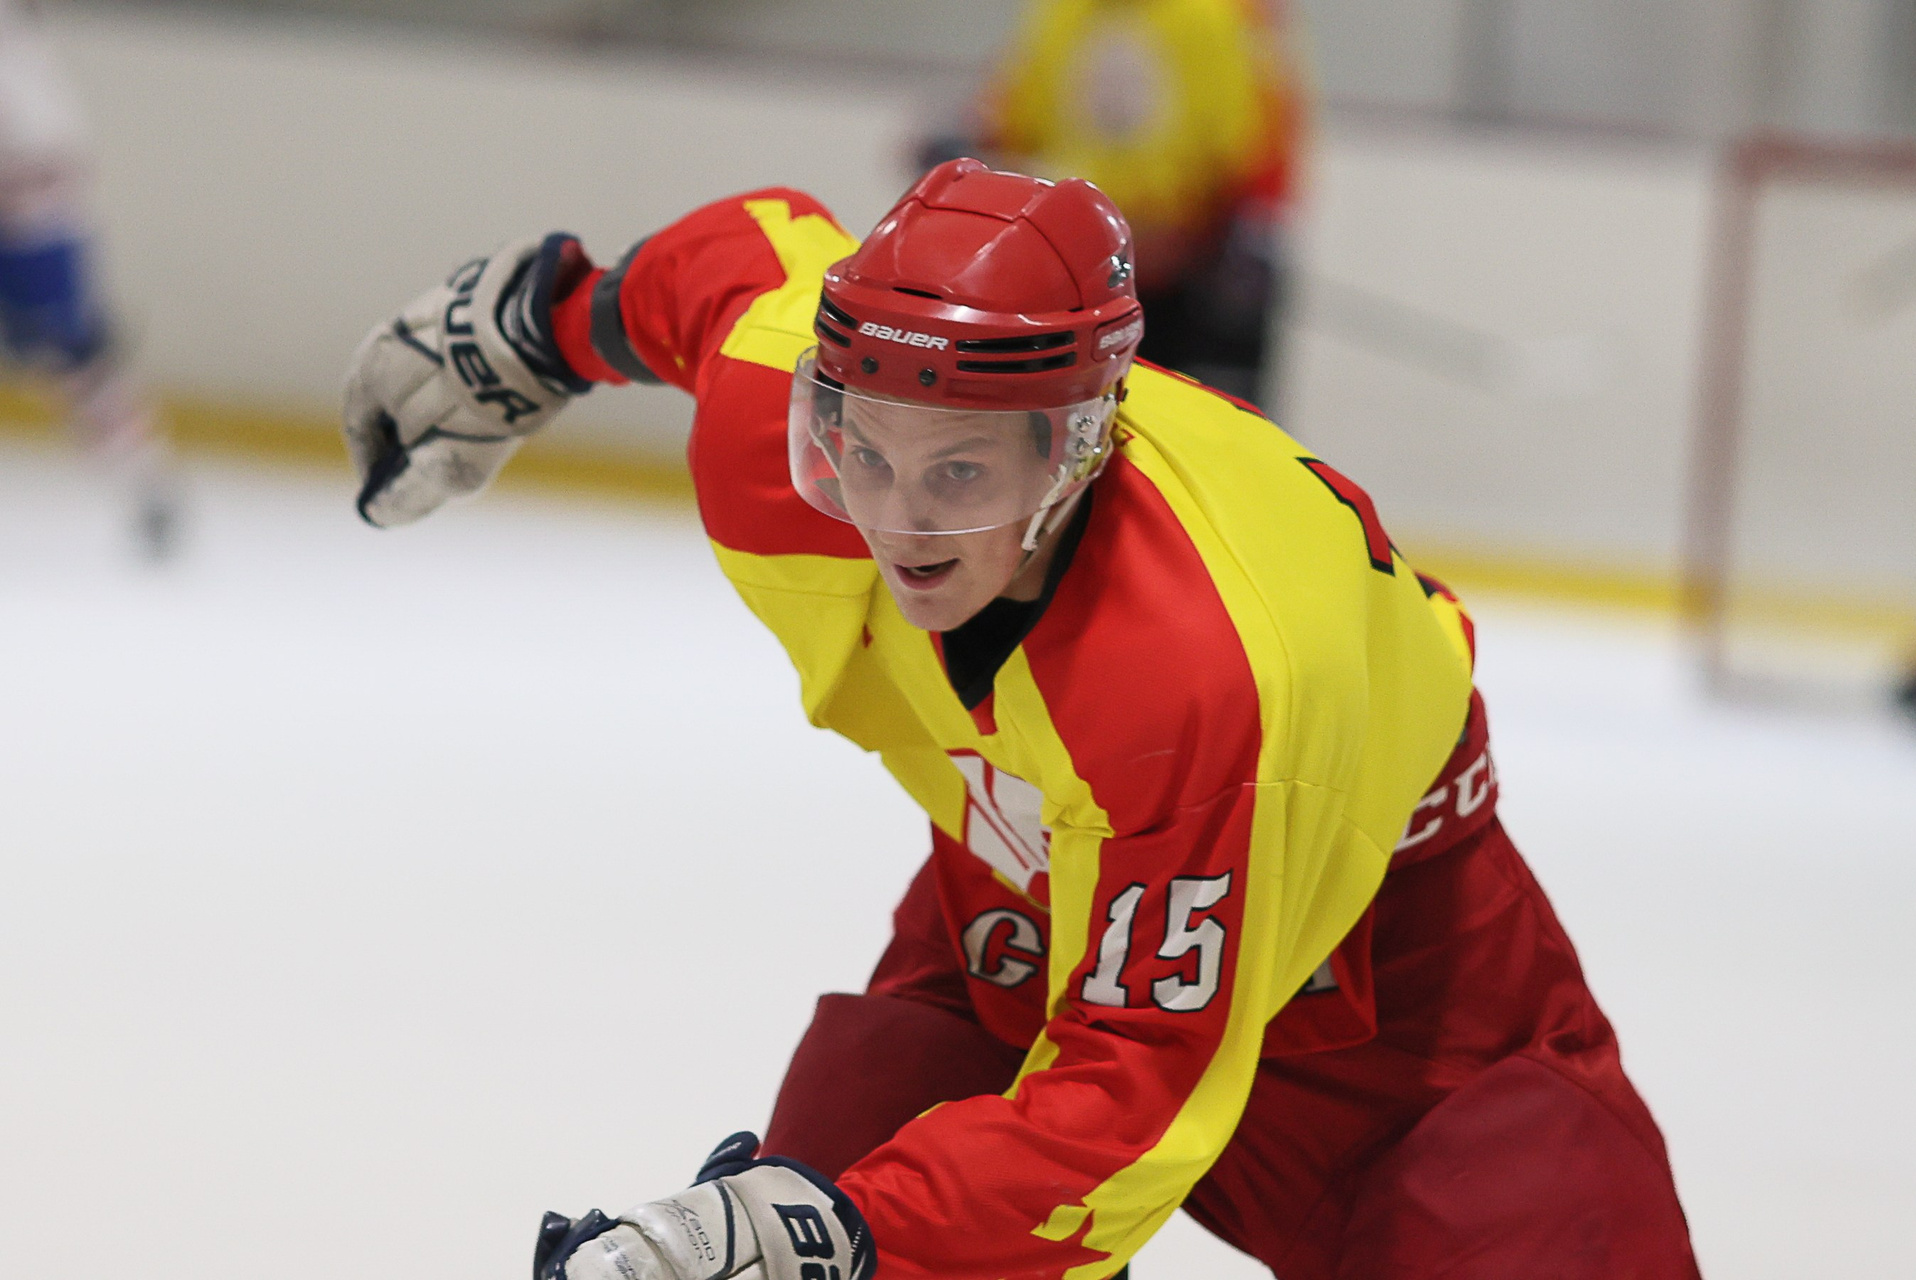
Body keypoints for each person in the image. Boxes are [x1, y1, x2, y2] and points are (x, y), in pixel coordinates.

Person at [341, 160, 1701, 1280]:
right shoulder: (782, 430)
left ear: (1076, 449)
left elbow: (1131, 1096)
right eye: (859, 448)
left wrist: (845, 1230)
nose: (897, 521)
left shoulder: (1200, 668)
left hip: (1396, 998)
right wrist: (545, 320)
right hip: (1024, 894)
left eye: (961, 472)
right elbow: (738, 265)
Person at [924, 0, 1305, 406]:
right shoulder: (1062, 14)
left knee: (1186, 417)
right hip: (1075, 274)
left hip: (1182, 282)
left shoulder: (1217, 18)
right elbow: (1012, 124)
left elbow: (1249, 155)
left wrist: (1201, 235)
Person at [0, 0, 177, 559]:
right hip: (39, 223)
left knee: (77, 364)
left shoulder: (16, 56)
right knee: (77, 365)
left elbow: (48, 163)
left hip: (36, 234)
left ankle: (145, 483)